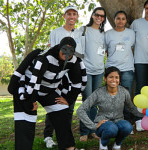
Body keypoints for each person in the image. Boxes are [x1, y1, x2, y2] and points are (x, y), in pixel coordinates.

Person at [8, 37, 87, 150]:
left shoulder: (74, 61)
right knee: (26, 117)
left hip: (48, 90)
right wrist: (31, 101)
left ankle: (68, 147)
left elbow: (77, 82)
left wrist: (69, 99)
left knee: (62, 110)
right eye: (64, 49)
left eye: (71, 51)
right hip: (27, 88)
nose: (66, 54)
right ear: (60, 48)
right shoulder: (45, 58)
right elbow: (36, 80)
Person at [77, 66, 144, 150]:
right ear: (105, 79)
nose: (114, 80)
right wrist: (93, 126)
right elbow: (80, 110)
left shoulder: (124, 92)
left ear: (119, 80)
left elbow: (131, 108)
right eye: (111, 77)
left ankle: (117, 144)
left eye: (116, 77)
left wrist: (144, 114)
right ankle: (103, 143)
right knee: (111, 128)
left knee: (128, 127)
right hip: (104, 124)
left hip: (118, 121)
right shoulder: (98, 92)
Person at [45, 5, 81, 147]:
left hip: (71, 74)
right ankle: (48, 136)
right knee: (54, 103)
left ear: (77, 16)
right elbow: (52, 52)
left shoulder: (79, 33)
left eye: (74, 14)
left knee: (68, 105)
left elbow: (80, 55)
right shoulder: (55, 32)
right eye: (69, 14)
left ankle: (65, 135)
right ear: (64, 16)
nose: (71, 16)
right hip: (56, 74)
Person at [130, 0, 148, 131]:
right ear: (144, 9)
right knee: (139, 91)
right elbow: (130, 42)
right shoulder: (136, 23)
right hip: (140, 61)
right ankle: (138, 119)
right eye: (147, 8)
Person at [79, 7, 106, 142]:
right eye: (97, 15)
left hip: (99, 71)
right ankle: (83, 132)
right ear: (92, 15)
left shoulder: (103, 34)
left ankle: (92, 131)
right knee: (87, 101)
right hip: (86, 70)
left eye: (102, 16)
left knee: (95, 102)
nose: (99, 18)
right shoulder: (83, 30)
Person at [105, 11, 135, 121]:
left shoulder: (131, 33)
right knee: (111, 97)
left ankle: (126, 122)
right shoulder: (107, 34)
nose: (120, 21)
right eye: (118, 18)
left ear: (126, 21)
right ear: (114, 20)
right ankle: (111, 121)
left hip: (127, 69)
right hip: (112, 69)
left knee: (126, 98)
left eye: (123, 19)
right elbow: (104, 50)